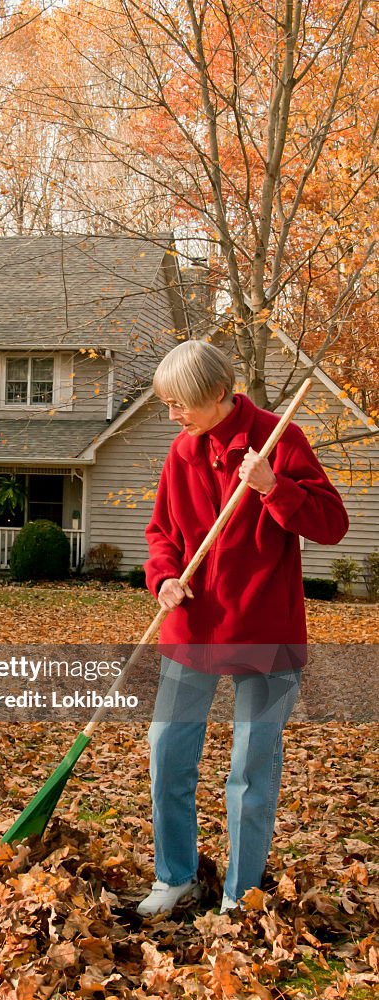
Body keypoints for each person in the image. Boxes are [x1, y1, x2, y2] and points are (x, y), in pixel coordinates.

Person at [137, 340, 349, 916]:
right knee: (169, 756)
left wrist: (273, 486)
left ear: (215, 395)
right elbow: (161, 534)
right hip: (192, 628)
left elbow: (333, 524)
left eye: (179, 404)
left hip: (266, 630)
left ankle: (239, 893)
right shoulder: (182, 454)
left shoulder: (281, 440)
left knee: (251, 768)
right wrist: (165, 580)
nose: (173, 415)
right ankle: (175, 877)